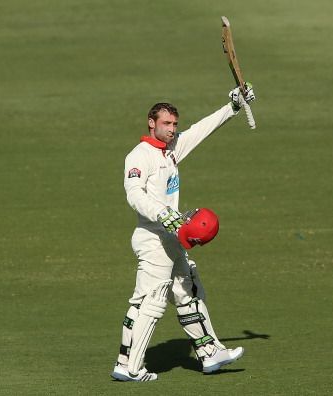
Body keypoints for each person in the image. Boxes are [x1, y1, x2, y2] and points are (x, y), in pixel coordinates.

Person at [110, 84, 256, 381]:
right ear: (151, 123)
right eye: (166, 124)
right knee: (150, 302)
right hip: (153, 239)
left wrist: (233, 106)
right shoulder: (140, 155)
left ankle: (210, 352)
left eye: (174, 124)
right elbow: (134, 194)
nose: (172, 129)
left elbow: (201, 130)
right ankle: (130, 367)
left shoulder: (172, 150)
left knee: (188, 291)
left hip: (171, 240)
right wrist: (164, 214)